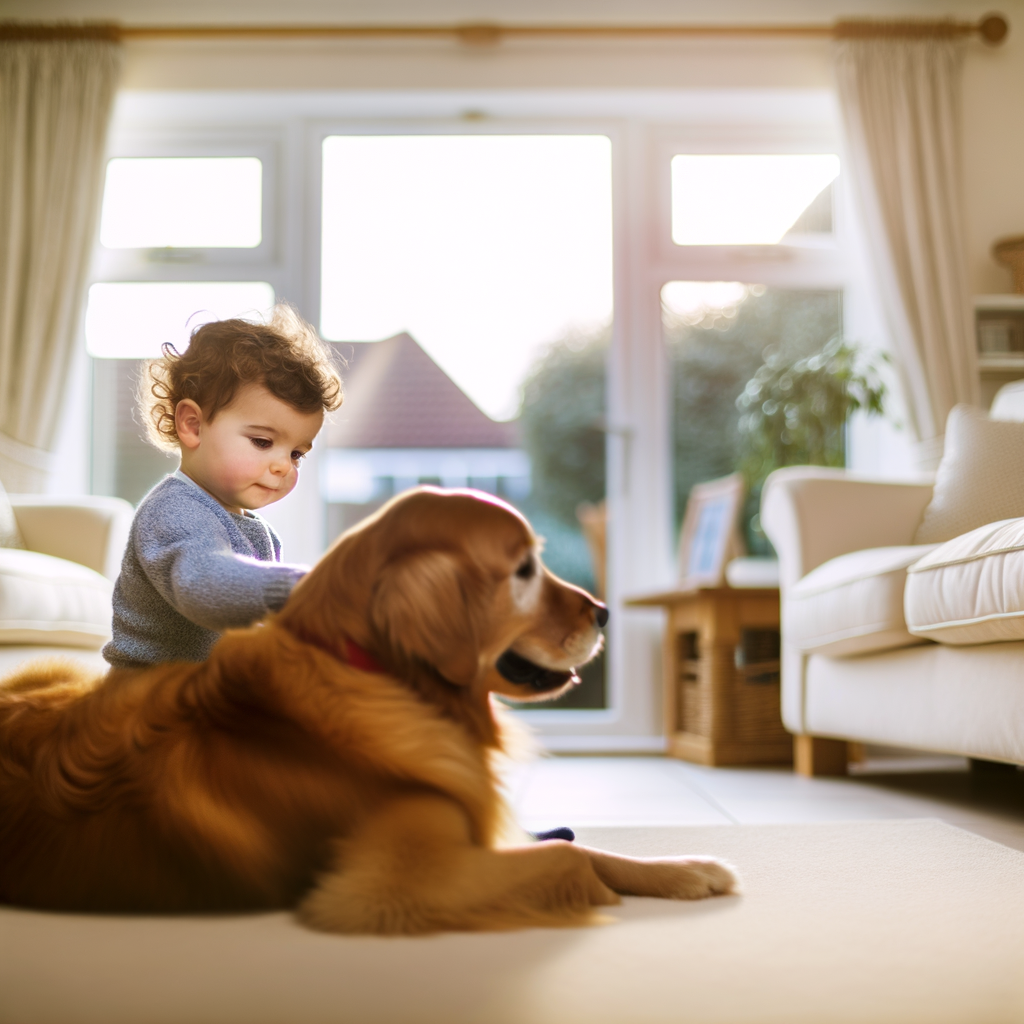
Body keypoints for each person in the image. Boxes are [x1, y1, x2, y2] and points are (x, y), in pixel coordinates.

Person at [102, 305, 343, 669]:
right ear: (193, 425)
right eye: (262, 442)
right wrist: (302, 588)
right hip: (149, 701)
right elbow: (204, 585)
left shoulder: (259, 532)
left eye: (296, 453)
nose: (283, 466)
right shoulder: (173, 510)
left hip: (212, 693)